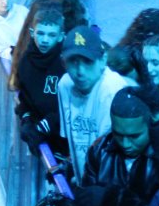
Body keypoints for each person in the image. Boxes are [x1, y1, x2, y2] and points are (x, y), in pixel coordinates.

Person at [54, 25, 134, 175]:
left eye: (88, 62)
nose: (80, 71)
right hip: (85, 178)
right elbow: (75, 140)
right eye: (73, 61)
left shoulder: (112, 90)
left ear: (103, 60)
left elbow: (112, 152)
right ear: (63, 62)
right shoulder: (65, 85)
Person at [11, 1, 67, 156]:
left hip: (66, 144)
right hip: (44, 143)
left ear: (61, 37)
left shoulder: (67, 64)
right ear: (32, 32)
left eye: (51, 35)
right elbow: (24, 99)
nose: (45, 40)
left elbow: (74, 106)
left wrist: (46, 125)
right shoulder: (25, 62)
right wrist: (26, 119)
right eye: (40, 33)